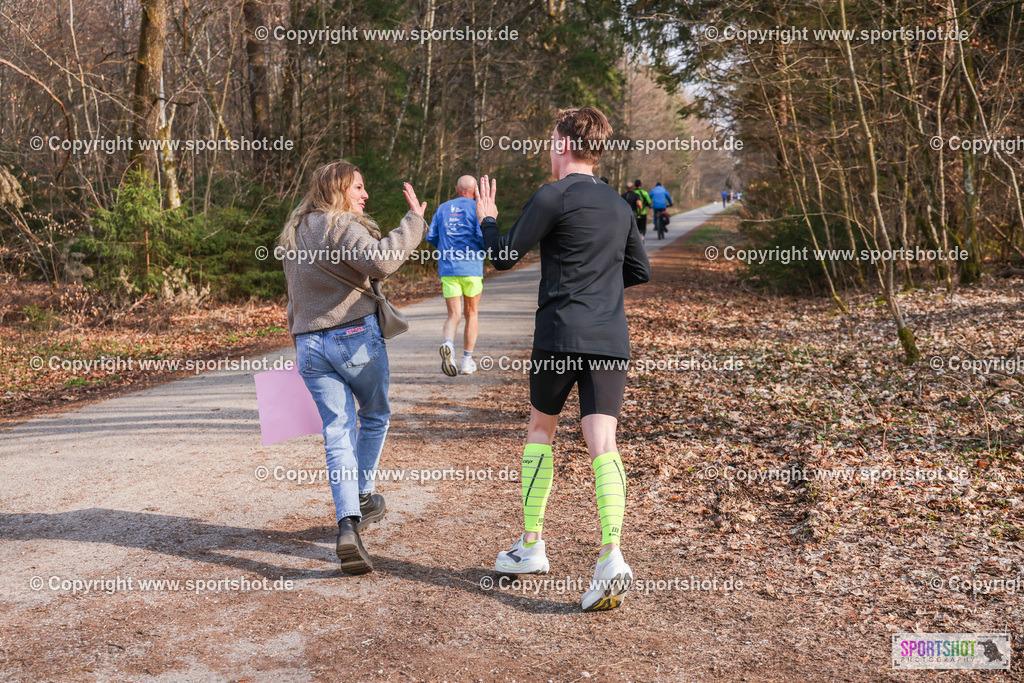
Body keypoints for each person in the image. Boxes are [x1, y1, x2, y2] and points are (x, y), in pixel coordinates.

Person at [476, 106, 651, 612]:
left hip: (558, 336)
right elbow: (638, 270)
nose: (548, 147)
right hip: (609, 339)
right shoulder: (620, 206)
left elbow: (505, 254)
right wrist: (597, 287)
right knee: (604, 442)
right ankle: (612, 556)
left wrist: (489, 221)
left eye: (551, 139)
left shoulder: (553, 195)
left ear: (563, 144)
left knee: (540, 431)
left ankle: (531, 545)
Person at [279, 160, 428, 575]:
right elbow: (381, 262)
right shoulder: (340, 225)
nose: (364, 195)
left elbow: (293, 296)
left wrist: (301, 336)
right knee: (376, 414)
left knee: (337, 433)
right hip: (354, 340)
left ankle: (348, 525)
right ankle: (363, 495)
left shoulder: (295, 231)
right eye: (358, 188)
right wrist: (414, 222)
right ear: (338, 190)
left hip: (309, 344)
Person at [426, 175, 485, 376]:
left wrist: (444, 248)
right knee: (472, 314)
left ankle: (448, 346)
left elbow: (432, 236)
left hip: (449, 268)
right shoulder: (478, 208)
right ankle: (467, 361)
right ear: (475, 190)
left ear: (456, 189)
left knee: (454, 315)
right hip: (472, 269)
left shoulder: (442, 208)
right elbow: (483, 236)